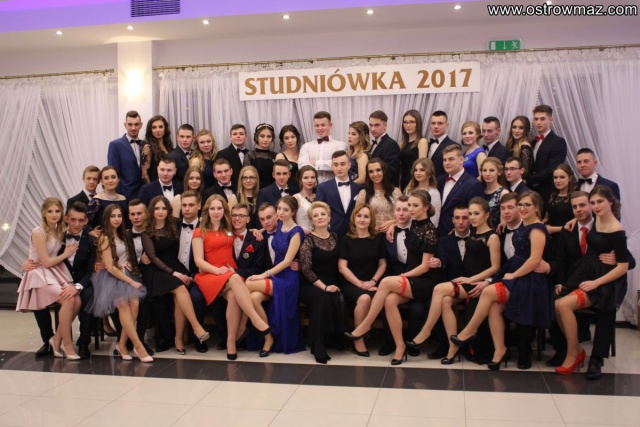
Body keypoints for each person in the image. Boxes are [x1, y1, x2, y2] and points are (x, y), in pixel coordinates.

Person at [450, 191, 553, 371]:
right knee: (494, 307)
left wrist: (514, 275)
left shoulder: (537, 229)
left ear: (537, 207)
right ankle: (499, 350)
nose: (522, 208)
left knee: (489, 292)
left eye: (527, 205)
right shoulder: (524, 226)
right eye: (520, 205)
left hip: (529, 279)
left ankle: (468, 331)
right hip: (517, 274)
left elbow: (535, 259)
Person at [347, 190, 441, 365]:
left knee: (386, 282)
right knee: (390, 301)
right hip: (412, 280)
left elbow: (425, 266)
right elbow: (401, 221)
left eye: (415, 206)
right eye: (409, 205)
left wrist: (403, 276)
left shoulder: (429, 230)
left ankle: (365, 325)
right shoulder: (415, 224)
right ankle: (399, 346)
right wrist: (392, 224)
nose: (410, 209)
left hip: (426, 281)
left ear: (426, 207)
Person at [408, 198, 501, 363]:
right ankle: (452, 349)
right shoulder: (472, 234)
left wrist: (472, 279)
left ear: (487, 215)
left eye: (475, 214)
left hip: (475, 283)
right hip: (466, 282)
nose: (471, 218)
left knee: (439, 289)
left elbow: (495, 267)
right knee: (445, 302)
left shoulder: (492, 237)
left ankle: (426, 331)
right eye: (471, 214)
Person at [554, 186, 629, 379]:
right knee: (557, 304)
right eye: (593, 202)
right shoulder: (597, 221)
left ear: (610, 202)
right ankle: (576, 350)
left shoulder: (616, 229)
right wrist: (574, 220)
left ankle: (583, 355)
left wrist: (596, 283)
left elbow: (623, 266)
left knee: (564, 305)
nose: (596, 206)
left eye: (600, 202)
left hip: (607, 282)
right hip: (589, 273)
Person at [191, 196, 273, 359]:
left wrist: (256, 230)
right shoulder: (200, 231)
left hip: (228, 274)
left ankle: (231, 342)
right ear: (207, 210)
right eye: (212, 208)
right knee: (235, 278)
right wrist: (216, 270)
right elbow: (198, 261)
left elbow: (242, 229)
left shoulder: (227, 228)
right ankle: (255, 320)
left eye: (219, 208)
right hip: (210, 274)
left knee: (234, 296)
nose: (216, 212)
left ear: (224, 211)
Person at [24, 202, 97, 359]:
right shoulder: (58, 234)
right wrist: (25, 263)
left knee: (84, 297)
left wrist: (77, 286)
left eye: (81, 220)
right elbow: (40, 255)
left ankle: (77, 342)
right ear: (67, 219)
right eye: (73, 219)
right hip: (51, 275)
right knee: (44, 300)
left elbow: (91, 270)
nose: (76, 224)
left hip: (75, 280)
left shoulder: (90, 239)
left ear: (85, 221)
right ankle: (51, 341)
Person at [87, 204, 152, 362]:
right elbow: (110, 268)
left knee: (135, 303)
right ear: (106, 218)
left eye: (119, 216)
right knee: (123, 304)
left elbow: (126, 255)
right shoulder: (104, 238)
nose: (116, 219)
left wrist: (128, 263)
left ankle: (122, 344)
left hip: (125, 273)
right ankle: (138, 346)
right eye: (113, 216)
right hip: (110, 277)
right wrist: (131, 281)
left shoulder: (123, 235)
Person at [245, 196, 306, 355]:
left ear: (293, 211)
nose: (281, 212)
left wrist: (262, 275)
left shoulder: (296, 231)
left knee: (248, 284)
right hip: (276, 276)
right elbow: (265, 229)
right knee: (254, 298)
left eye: (285, 210)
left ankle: (239, 330)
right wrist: (257, 230)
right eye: (279, 208)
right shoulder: (279, 226)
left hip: (288, 278)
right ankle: (268, 336)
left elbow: (287, 261)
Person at [338, 203, 387, 357]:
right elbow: (342, 267)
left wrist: (373, 281)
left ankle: (373, 336)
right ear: (354, 218)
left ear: (371, 220)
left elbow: (382, 264)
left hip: (372, 282)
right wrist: (360, 284)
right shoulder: (346, 239)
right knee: (364, 298)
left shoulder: (377, 239)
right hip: (351, 283)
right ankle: (358, 340)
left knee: (377, 297)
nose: (362, 219)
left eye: (366, 216)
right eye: (359, 216)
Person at [299, 202, 344, 363]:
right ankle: (318, 345)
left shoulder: (335, 237)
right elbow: (306, 270)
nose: (320, 217)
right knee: (322, 297)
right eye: (315, 215)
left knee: (338, 295)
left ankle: (333, 339)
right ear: (311, 220)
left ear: (329, 217)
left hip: (332, 281)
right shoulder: (308, 241)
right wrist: (324, 286)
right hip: (310, 284)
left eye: (323, 214)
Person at [437, 144, 485, 237]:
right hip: (438, 233)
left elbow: (476, 214)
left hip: (459, 234)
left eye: (451, 159)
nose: (447, 163)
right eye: (444, 160)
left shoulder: (473, 184)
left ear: (461, 160)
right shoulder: (440, 180)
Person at [316, 150, 363, 237]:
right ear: (332, 166)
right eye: (336, 165)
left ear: (349, 165)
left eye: (342, 164)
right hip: (331, 234)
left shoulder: (359, 189)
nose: (339, 168)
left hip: (354, 233)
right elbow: (319, 211)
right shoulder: (323, 188)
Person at [528, 105, 568, 206]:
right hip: (531, 191)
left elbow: (553, 168)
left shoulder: (558, 142)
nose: (538, 122)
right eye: (536, 119)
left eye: (542, 119)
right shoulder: (533, 142)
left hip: (548, 191)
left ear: (551, 120)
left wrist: (530, 179)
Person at [298, 111, 348, 183]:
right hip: (312, 186)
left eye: (323, 125)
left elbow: (339, 165)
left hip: (334, 185)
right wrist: (328, 164)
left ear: (330, 125)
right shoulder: (306, 146)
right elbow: (302, 167)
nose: (320, 128)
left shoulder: (341, 145)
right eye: (317, 125)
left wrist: (315, 163)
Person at [355, 158, 402, 233]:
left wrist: (393, 222)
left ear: (384, 171)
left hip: (393, 233)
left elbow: (405, 214)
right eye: (371, 171)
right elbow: (356, 217)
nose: (375, 174)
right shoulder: (363, 194)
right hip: (372, 235)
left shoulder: (395, 191)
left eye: (378, 170)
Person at [107, 110, 144, 200]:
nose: (133, 128)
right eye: (130, 124)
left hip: (143, 194)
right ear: (125, 125)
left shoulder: (145, 144)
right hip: (124, 195)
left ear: (141, 125)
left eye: (136, 124)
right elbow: (113, 173)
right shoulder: (115, 145)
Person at [86, 166, 129, 231]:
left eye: (113, 177)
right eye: (106, 178)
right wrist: (91, 232)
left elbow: (127, 222)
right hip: (102, 236)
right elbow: (86, 223)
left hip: (121, 236)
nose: (110, 181)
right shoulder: (96, 200)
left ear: (118, 179)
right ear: (101, 181)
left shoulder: (123, 199)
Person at [403, 158, 441, 227]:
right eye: (415, 170)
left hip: (424, 230)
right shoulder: (410, 189)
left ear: (429, 172)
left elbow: (435, 218)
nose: (418, 173)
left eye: (422, 170)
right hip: (407, 227)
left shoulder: (434, 193)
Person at [369, 110, 401, 186]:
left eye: (377, 125)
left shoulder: (391, 144)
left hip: (386, 188)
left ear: (385, 125)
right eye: (371, 125)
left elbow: (391, 172)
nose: (373, 129)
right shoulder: (374, 144)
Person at [399, 110, 428, 190]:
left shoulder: (422, 141)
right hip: (403, 180)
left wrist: (411, 184)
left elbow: (421, 166)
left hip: (414, 181)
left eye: (412, 122)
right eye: (405, 122)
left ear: (418, 124)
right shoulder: (402, 144)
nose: (408, 125)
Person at [545, 164, 576, 235]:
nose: (558, 181)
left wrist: (552, 229)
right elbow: (546, 218)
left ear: (570, 178)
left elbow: (577, 222)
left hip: (567, 236)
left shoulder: (574, 197)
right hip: (550, 237)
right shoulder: (552, 196)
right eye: (555, 177)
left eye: (562, 177)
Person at [141, 115, 173, 184]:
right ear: (150, 130)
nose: (158, 130)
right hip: (154, 185)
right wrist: (151, 188)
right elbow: (144, 173)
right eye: (154, 127)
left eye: (160, 127)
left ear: (165, 128)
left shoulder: (168, 145)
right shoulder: (147, 146)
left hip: (168, 184)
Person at [215, 124, 249, 188]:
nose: (238, 136)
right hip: (231, 189)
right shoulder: (222, 154)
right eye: (235, 134)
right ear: (230, 137)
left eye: (241, 134)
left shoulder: (250, 154)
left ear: (246, 136)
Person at [427, 110, 458, 178]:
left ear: (447, 125)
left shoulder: (454, 146)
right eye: (433, 123)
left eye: (440, 123)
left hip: (442, 183)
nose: (436, 126)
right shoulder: (426, 145)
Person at [481, 157, 509, 228]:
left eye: (492, 170)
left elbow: (504, 221)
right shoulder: (480, 191)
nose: (487, 174)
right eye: (484, 170)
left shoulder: (503, 193)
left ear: (499, 172)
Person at [247, 123, 277, 189]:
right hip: (256, 190)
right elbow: (247, 177)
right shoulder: (250, 155)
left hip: (273, 190)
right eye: (262, 136)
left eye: (269, 136)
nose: (265, 140)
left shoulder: (276, 155)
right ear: (257, 137)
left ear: (272, 138)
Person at [293, 165, 317, 234]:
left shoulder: (319, 196)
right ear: (300, 180)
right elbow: (289, 220)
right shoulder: (296, 198)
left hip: (318, 235)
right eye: (306, 178)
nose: (309, 180)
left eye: (312, 177)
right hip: (302, 235)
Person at [347, 121, 371, 185]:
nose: (349, 136)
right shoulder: (351, 153)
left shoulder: (362, 155)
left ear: (361, 136)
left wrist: (347, 185)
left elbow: (362, 179)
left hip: (357, 189)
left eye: (353, 134)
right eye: (349, 133)